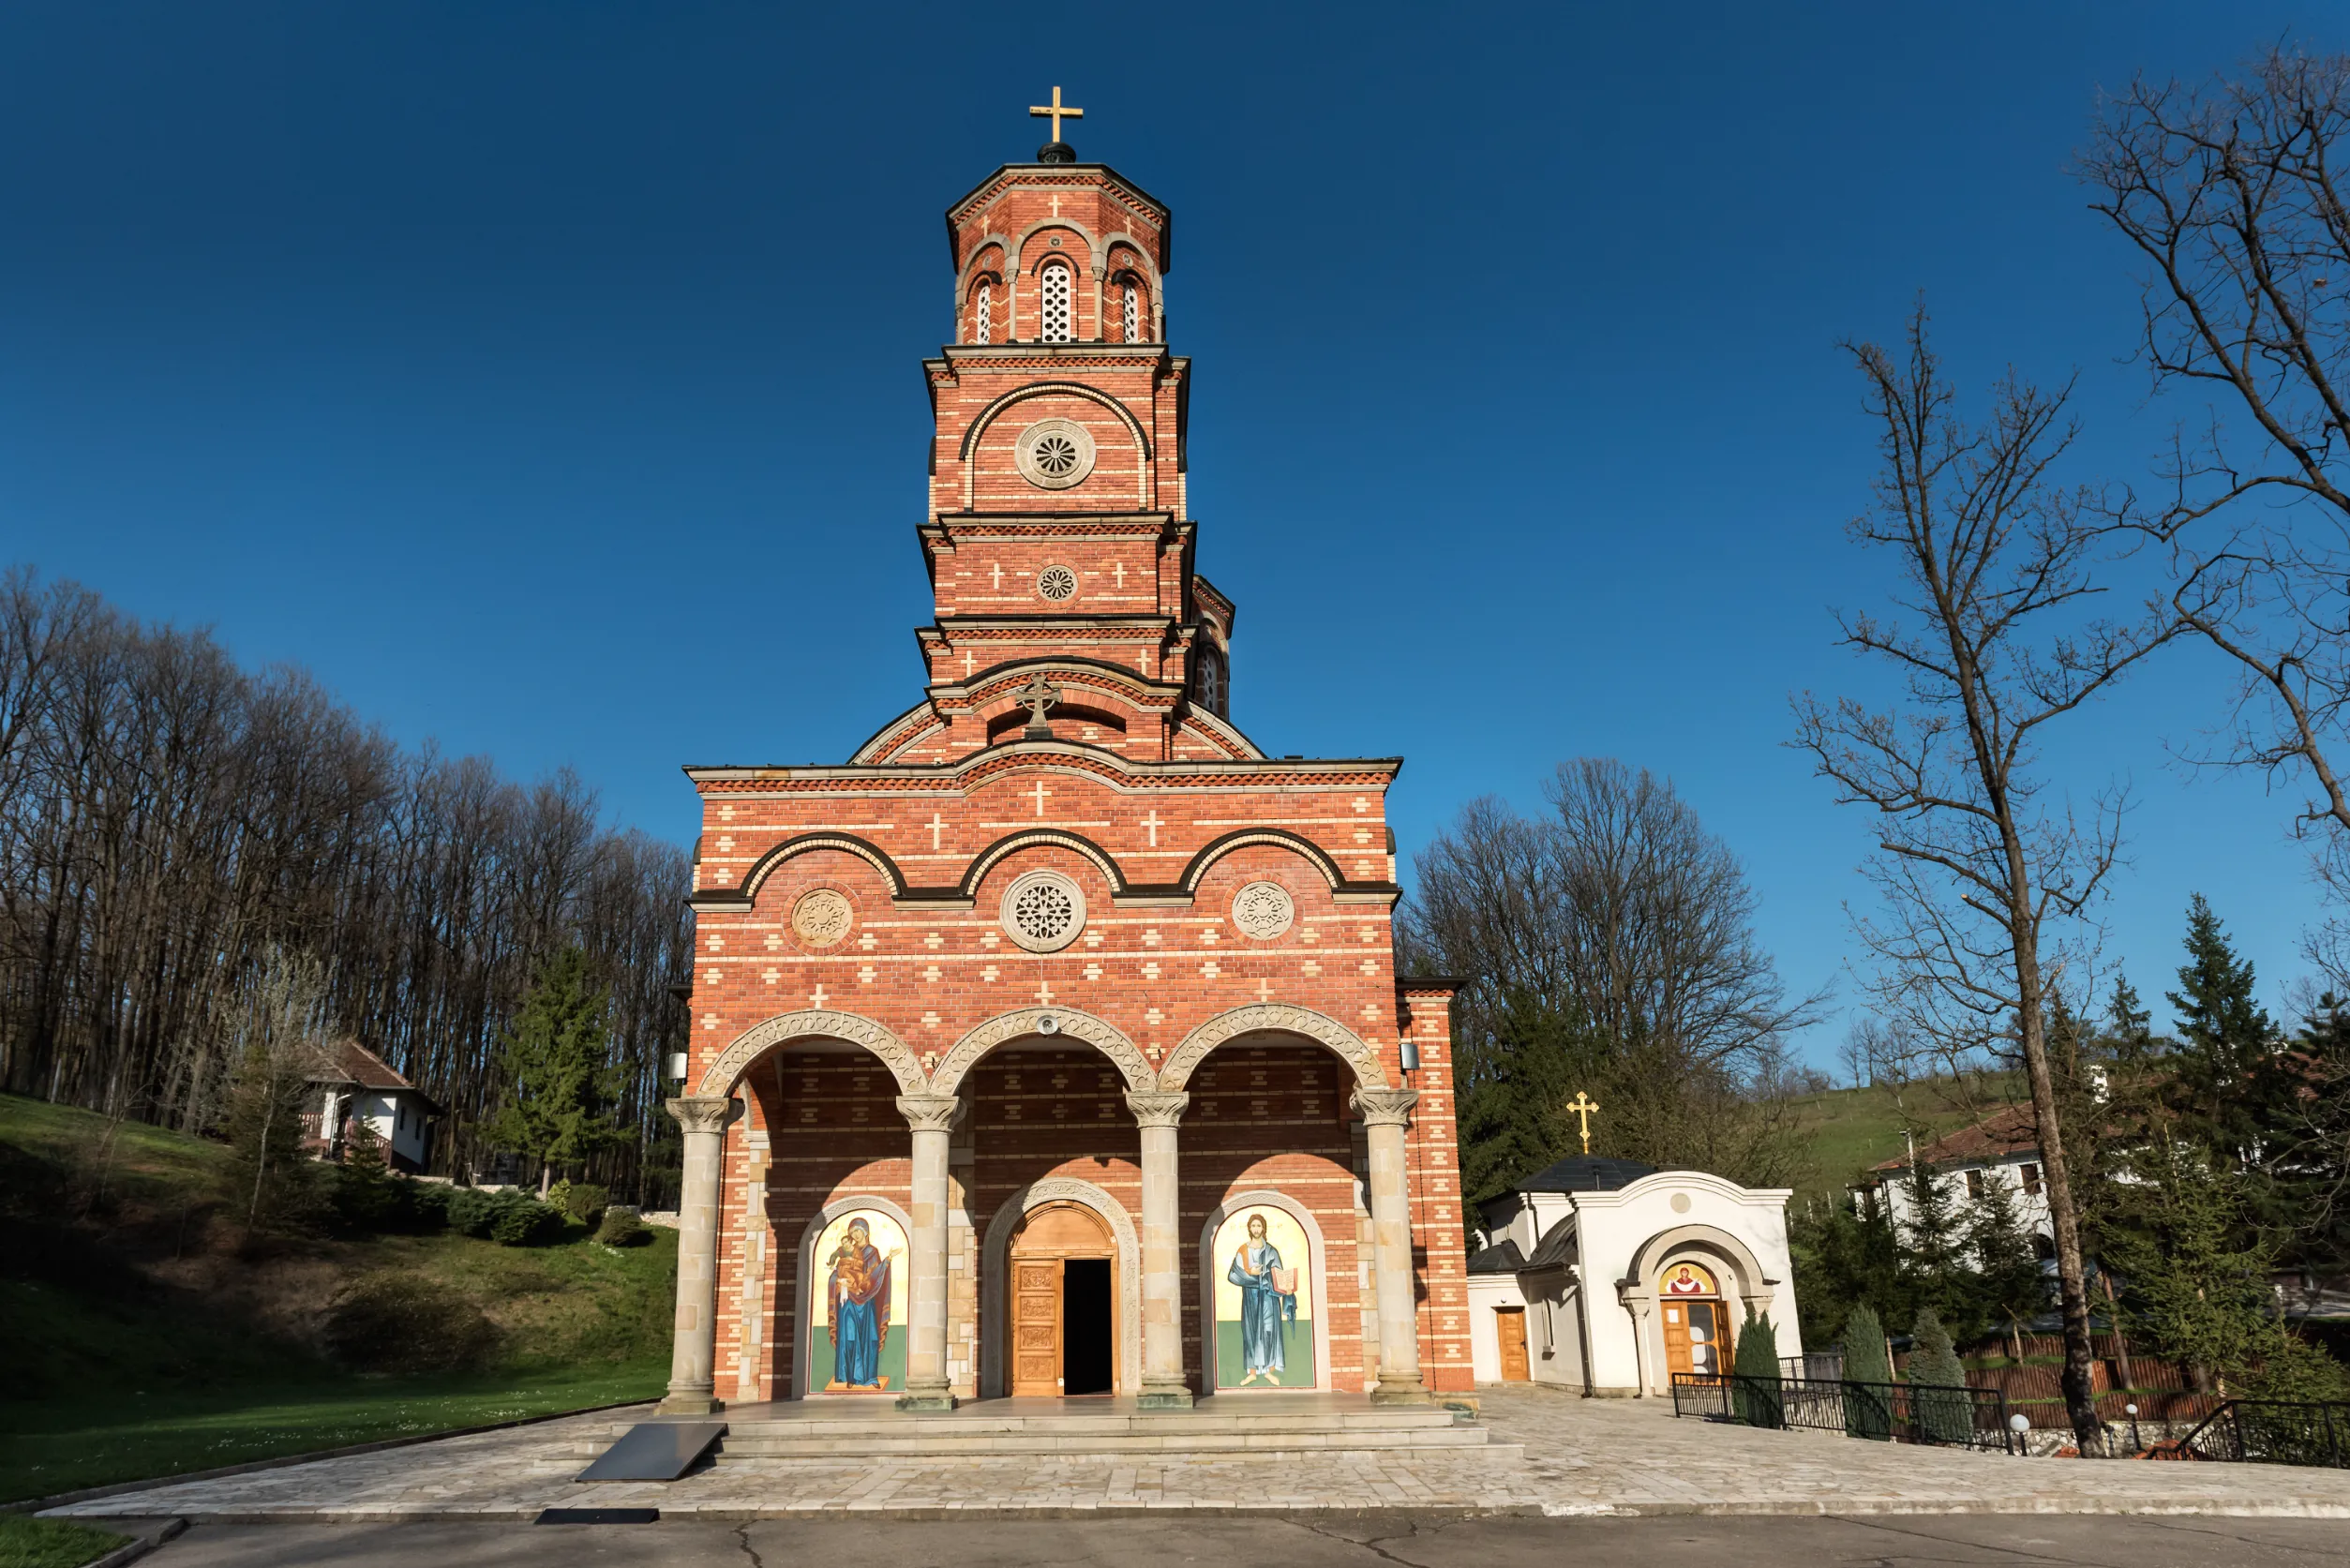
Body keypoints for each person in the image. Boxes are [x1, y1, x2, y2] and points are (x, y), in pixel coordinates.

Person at [1225, 1212, 1295, 1385]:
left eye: (1259, 1225)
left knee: (1269, 1331)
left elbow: (1278, 1273)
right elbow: (1234, 1274)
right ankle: (1252, 1372)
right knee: (1251, 1332)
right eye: (1253, 1225)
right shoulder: (1243, 1250)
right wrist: (1252, 1274)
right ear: (1249, 1228)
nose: (1256, 1228)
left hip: (1268, 1298)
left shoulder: (1271, 1251)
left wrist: (1280, 1283)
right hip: (1251, 1298)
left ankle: (1270, 1371)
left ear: (1263, 1228)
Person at [826, 1217, 891, 1389]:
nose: (855, 1235)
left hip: (866, 1301)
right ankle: (851, 1377)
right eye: (852, 1232)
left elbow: (874, 1275)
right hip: (848, 1302)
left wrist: (886, 1263)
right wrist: (839, 1282)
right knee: (849, 1337)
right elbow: (834, 1274)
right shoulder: (844, 1252)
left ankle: (870, 1377)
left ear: (866, 1232)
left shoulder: (872, 1252)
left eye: (857, 1231)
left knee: (870, 1338)